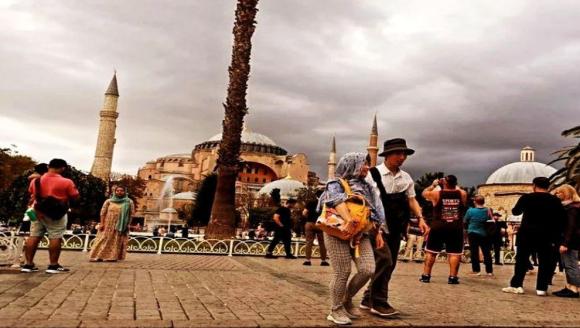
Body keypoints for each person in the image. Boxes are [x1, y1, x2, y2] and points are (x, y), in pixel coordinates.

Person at [362, 138, 427, 317]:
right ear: (388, 155)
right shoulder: (372, 174)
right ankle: (379, 302)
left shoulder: (405, 177)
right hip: (375, 226)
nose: (402, 157)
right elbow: (365, 200)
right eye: (398, 153)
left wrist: (420, 218)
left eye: (404, 154)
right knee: (385, 260)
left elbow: (411, 199)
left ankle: (368, 299)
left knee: (389, 265)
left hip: (396, 226)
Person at [318, 152, 385, 325]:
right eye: (363, 163)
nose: (367, 167)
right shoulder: (336, 183)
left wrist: (378, 233)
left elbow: (373, 212)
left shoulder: (368, 187)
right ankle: (335, 309)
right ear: (352, 165)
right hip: (337, 231)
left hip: (360, 233)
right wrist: (348, 219)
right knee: (342, 272)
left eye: (367, 164)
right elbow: (335, 200)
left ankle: (347, 298)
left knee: (368, 269)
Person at [502, 177, 566, 296]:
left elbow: (516, 211)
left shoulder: (527, 198)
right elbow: (561, 219)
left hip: (527, 234)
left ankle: (517, 285)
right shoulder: (555, 200)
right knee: (545, 261)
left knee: (521, 260)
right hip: (547, 235)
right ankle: (541, 288)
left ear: (534, 185)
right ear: (548, 186)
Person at [21, 159, 79, 274]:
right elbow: (75, 196)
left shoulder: (36, 181)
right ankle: (53, 265)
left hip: (38, 212)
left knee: (34, 236)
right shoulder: (66, 181)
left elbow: (32, 193)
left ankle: (28, 264)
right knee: (55, 237)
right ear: (63, 168)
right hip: (57, 213)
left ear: (49, 166)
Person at [420, 175, 468, 284]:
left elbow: (424, 193)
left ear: (444, 183)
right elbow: (460, 190)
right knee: (455, 253)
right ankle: (452, 277)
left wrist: (433, 185)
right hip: (455, 227)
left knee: (431, 252)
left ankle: (426, 276)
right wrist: (453, 184)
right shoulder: (462, 194)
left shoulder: (437, 194)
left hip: (438, 226)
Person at [89, 186, 134, 262]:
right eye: (117, 191)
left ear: (125, 192)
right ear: (115, 192)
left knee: (116, 240)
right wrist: (102, 223)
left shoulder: (129, 202)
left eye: (121, 190)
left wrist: (128, 224)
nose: (119, 192)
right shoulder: (109, 201)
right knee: (103, 239)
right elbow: (103, 212)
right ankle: (98, 256)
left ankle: (112, 257)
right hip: (108, 223)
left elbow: (131, 214)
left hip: (121, 224)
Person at [552, 184, 580, 298]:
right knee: (568, 264)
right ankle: (569, 286)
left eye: (560, 192)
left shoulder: (572, 208)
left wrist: (565, 243)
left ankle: (574, 289)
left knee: (570, 264)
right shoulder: (572, 207)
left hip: (571, 241)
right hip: (572, 240)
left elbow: (570, 226)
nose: (557, 194)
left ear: (567, 194)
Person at [463, 195, 493, 276]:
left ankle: (476, 270)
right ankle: (489, 271)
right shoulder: (488, 210)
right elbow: (491, 221)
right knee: (486, 252)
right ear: (483, 202)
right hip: (484, 233)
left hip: (472, 232)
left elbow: (465, 221)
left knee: (474, 252)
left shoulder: (470, 211)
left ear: (475, 202)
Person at [302, 192, 329, 266]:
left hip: (310, 223)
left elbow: (304, 213)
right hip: (320, 224)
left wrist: (308, 217)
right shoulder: (326, 203)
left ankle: (308, 260)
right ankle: (323, 261)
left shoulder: (311, 202)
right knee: (322, 243)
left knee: (308, 242)